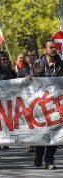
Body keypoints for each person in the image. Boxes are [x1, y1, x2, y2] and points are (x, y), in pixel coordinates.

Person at [32, 39, 63, 170]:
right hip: (41, 104)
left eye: (54, 47)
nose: (54, 50)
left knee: (54, 132)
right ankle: (38, 154)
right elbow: (32, 81)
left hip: (56, 104)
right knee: (42, 132)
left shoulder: (61, 64)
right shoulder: (38, 63)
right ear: (45, 50)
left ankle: (49, 160)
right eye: (51, 47)